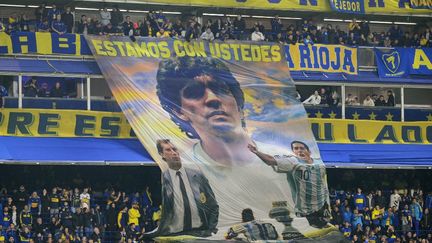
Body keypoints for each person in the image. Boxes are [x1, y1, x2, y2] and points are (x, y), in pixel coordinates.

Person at [248, 141, 329, 228]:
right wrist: (256, 152)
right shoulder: (293, 162)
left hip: (322, 205)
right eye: (296, 148)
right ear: (293, 152)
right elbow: (270, 160)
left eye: (302, 148)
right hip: (307, 211)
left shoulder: (319, 162)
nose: (299, 151)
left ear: (309, 152)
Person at [156, 139, 218, 236]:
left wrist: (210, 230)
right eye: (168, 150)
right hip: (175, 235)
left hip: (199, 232)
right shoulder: (164, 179)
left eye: (175, 149)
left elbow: (213, 205)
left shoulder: (197, 176)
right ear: (162, 154)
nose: (174, 153)